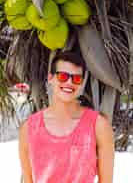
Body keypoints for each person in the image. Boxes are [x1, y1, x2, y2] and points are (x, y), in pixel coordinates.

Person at [19, 51, 114, 183]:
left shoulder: (99, 125)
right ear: (50, 78)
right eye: (63, 76)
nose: (69, 82)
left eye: (76, 78)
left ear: (81, 83)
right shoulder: (29, 128)